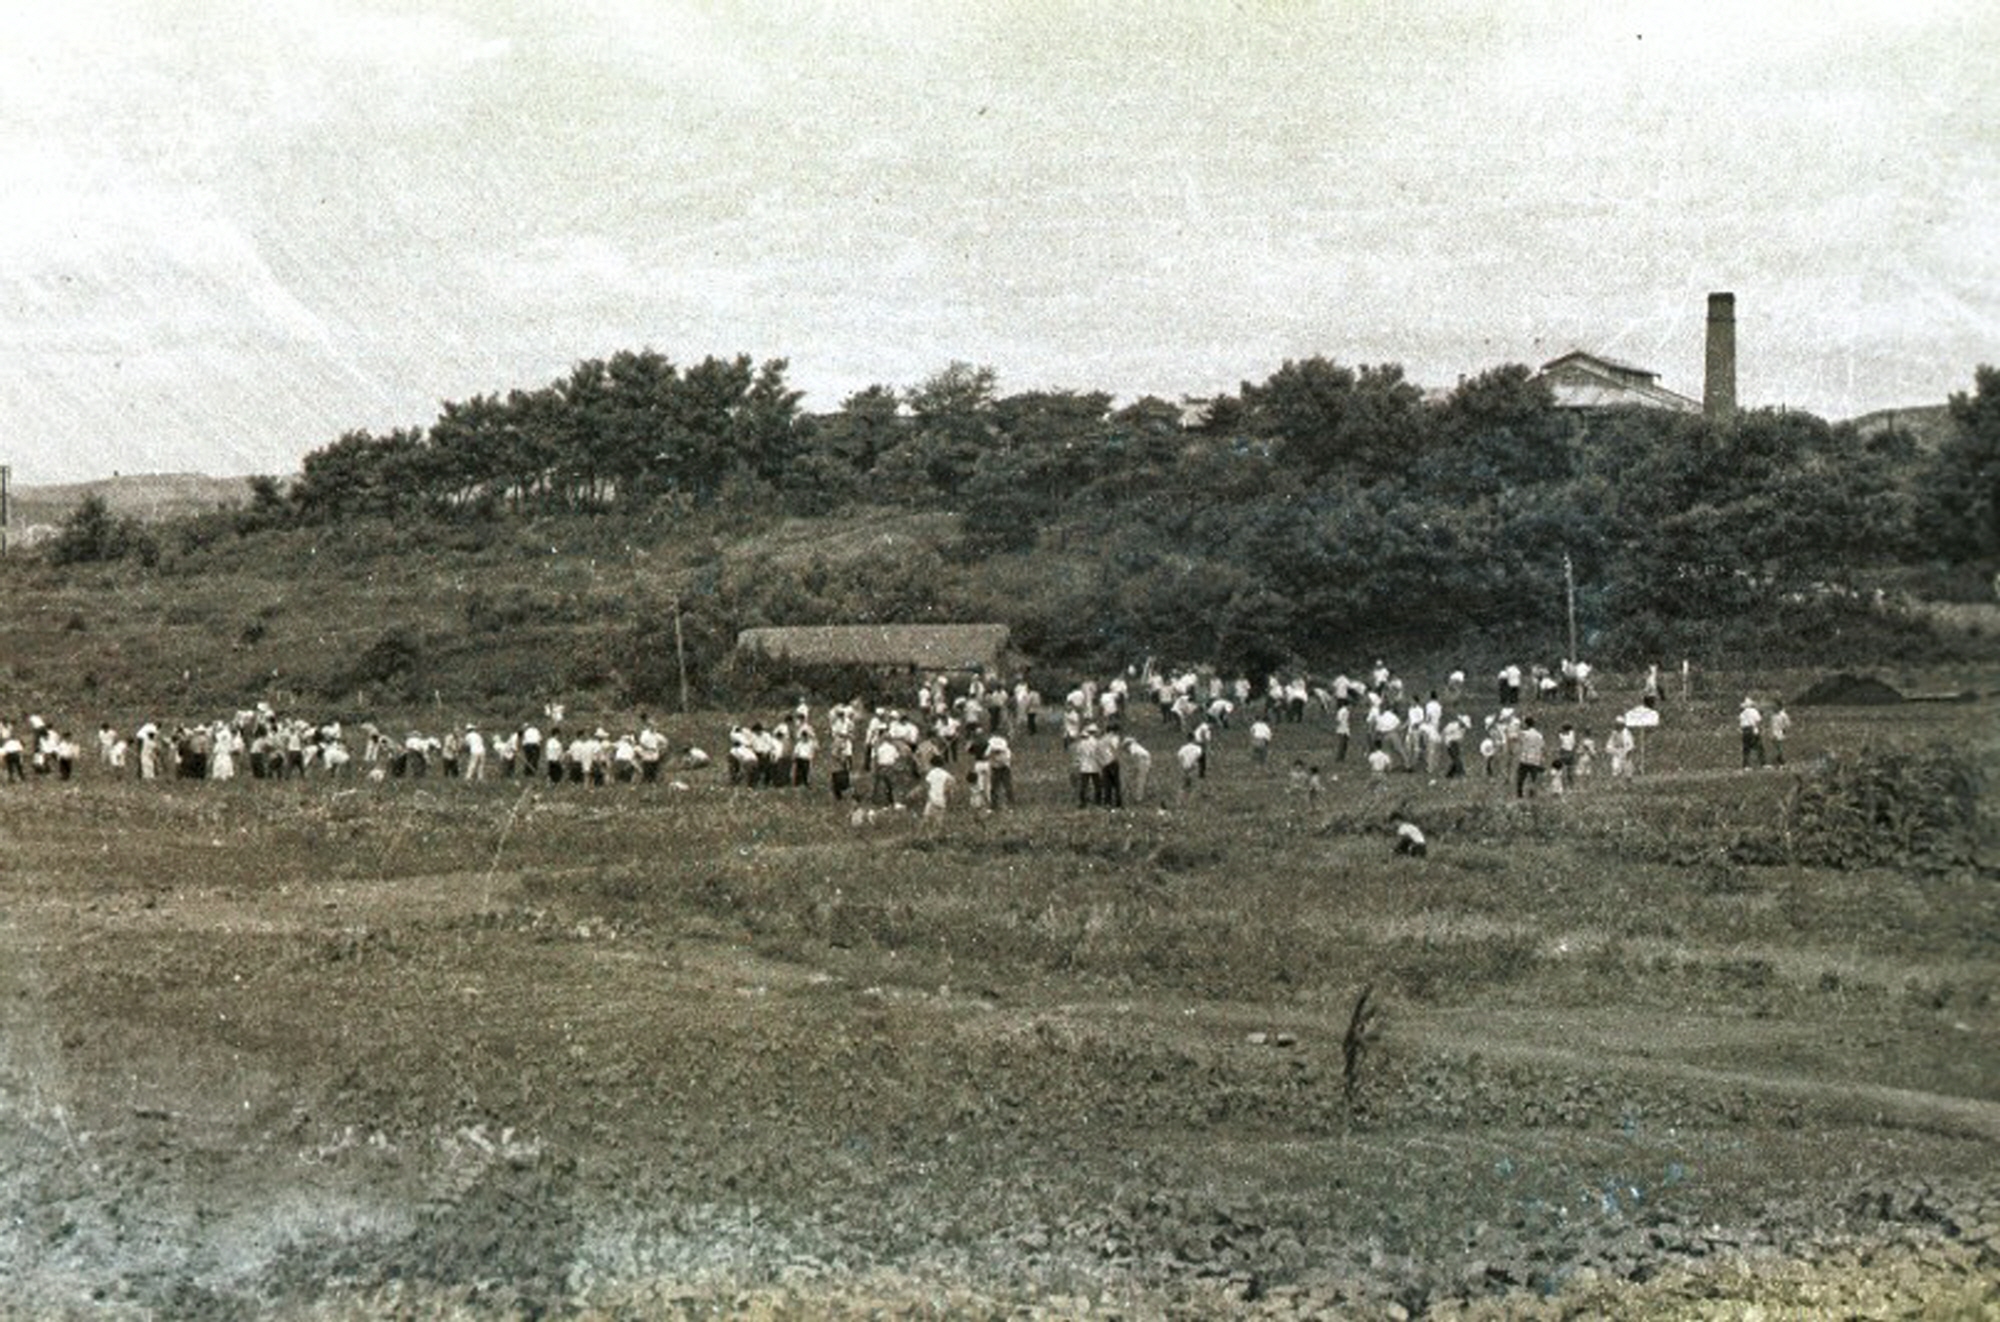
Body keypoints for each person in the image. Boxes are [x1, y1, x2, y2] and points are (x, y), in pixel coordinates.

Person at [1515, 717, 1546, 799]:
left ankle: (1520, 794)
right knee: (1533, 779)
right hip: (1535, 759)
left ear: (1526, 724)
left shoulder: (1524, 734)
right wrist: (1541, 760)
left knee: (1521, 778)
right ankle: (1531, 794)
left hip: (1525, 759)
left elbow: (1517, 739)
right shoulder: (1539, 735)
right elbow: (1542, 747)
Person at [1739, 698, 1765, 770]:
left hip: (1745, 731)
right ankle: (1763, 763)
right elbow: (1758, 720)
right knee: (1759, 747)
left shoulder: (1742, 713)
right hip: (1752, 730)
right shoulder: (1754, 711)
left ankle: (1746, 765)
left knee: (1746, 749)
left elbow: (1741, 723)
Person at [1768, 700, 1791, 766]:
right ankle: (1779, 761)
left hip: (1779, 733)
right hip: (1773, 733)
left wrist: (1784, 730)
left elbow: (1787, 724)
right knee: (1776, 747)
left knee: (1779, 747)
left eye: (1775, 706)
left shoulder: (1783, 715)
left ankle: (1781, 761)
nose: (1773, 707)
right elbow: (1771, 724)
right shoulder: (1773, 715)